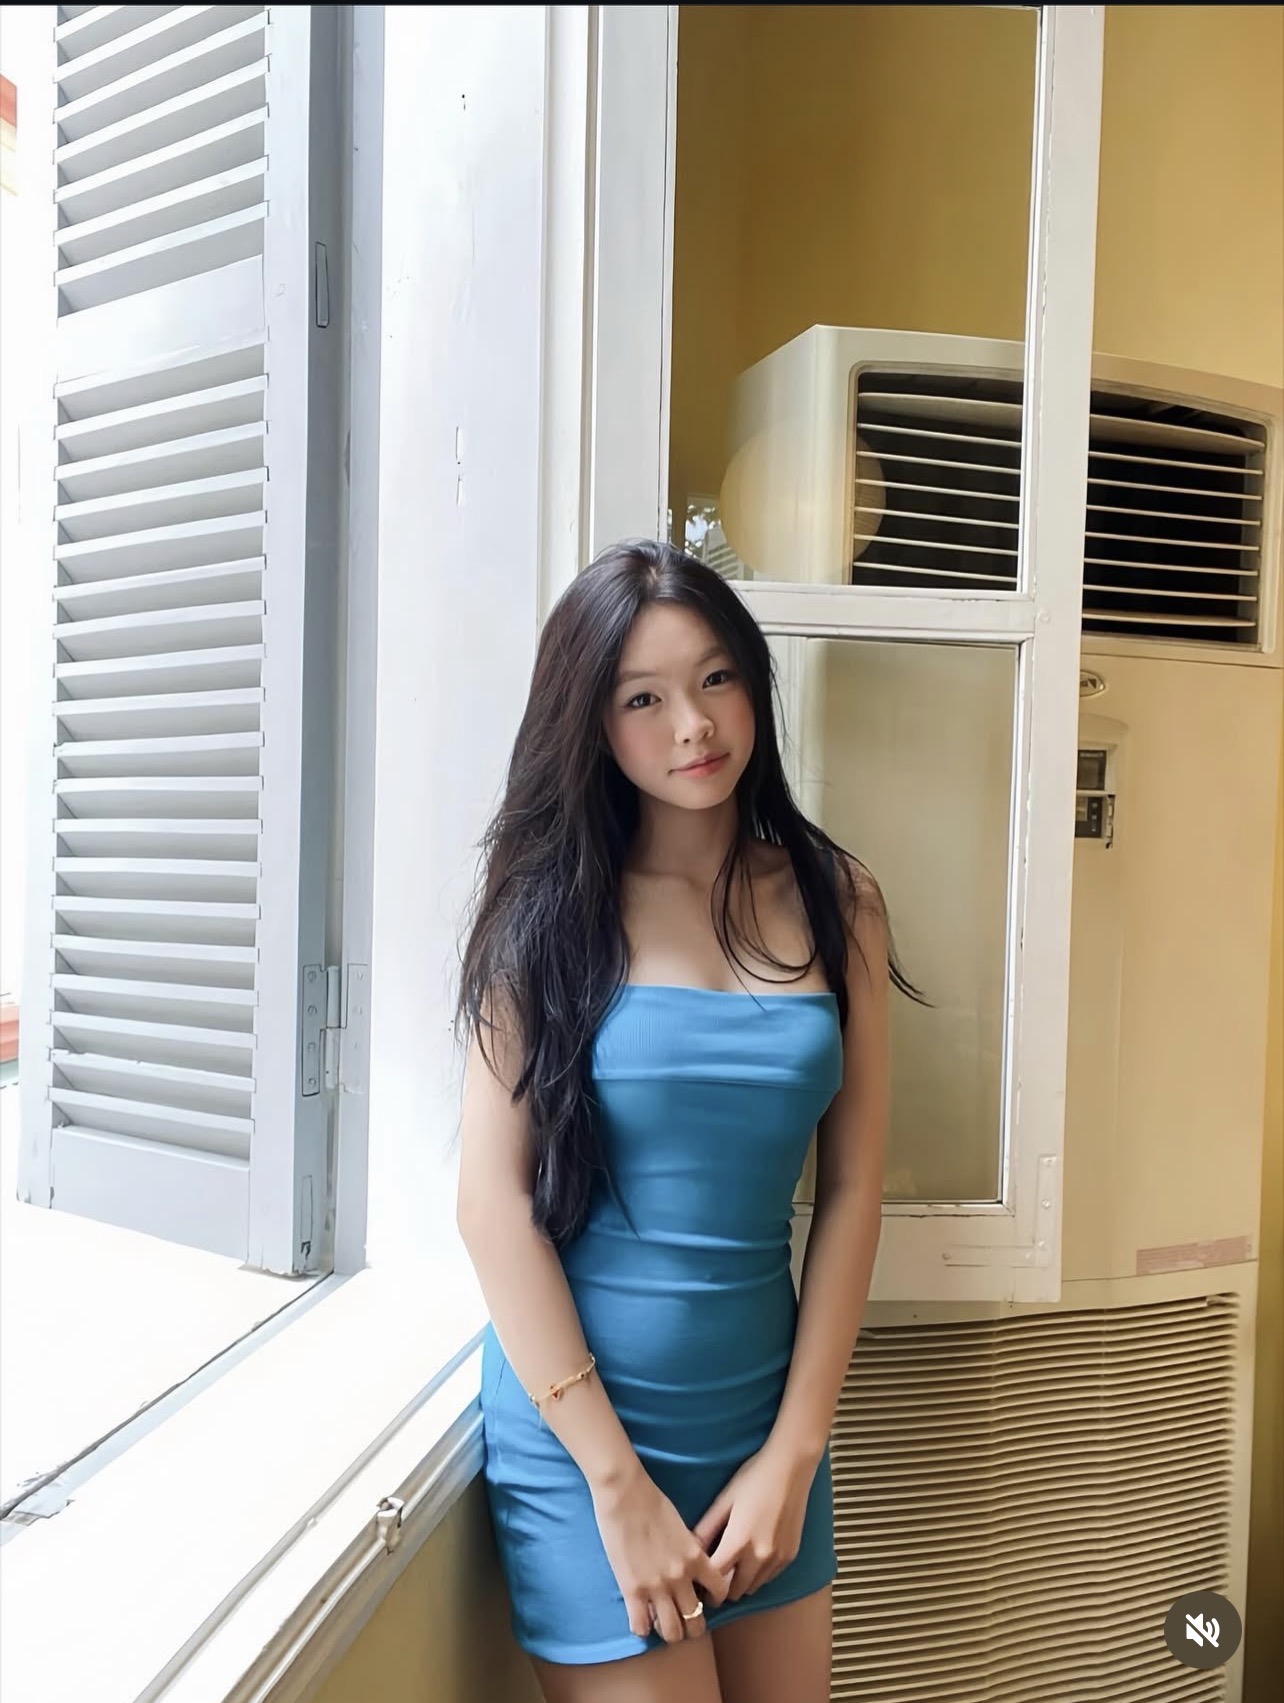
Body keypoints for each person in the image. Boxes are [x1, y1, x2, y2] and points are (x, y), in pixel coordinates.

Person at [454, 539, 905, 1703]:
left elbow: (854, 1186)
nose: (693, 725)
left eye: (715, 679)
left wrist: (795, 1451)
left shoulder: (838, 898)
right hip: (588, 1443)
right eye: (642, 698)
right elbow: (491, 1203)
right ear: (592, 723)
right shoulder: (547, 911)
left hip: (767, 1425)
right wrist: (615, 1484)